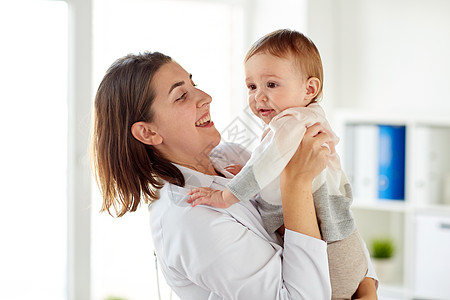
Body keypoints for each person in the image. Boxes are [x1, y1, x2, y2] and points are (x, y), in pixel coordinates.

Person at [91, 51, 378, 299]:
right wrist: (296, 184)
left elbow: (330, 208)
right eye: (181, 96)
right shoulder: (189, 219)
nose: (205, 97)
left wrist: (367, 283)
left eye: (194, 84)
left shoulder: (231, 156)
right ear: (148, 132)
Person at [187, 29, 371, 299]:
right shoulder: (307, 118)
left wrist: (226, 195)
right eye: (251, 87)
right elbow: (274, 166)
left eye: (271, 85)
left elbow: (268, 162)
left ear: (310, 88)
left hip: (331, 254)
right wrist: (252, 175)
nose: (258, 96)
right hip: (346, 247)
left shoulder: (290, 123)